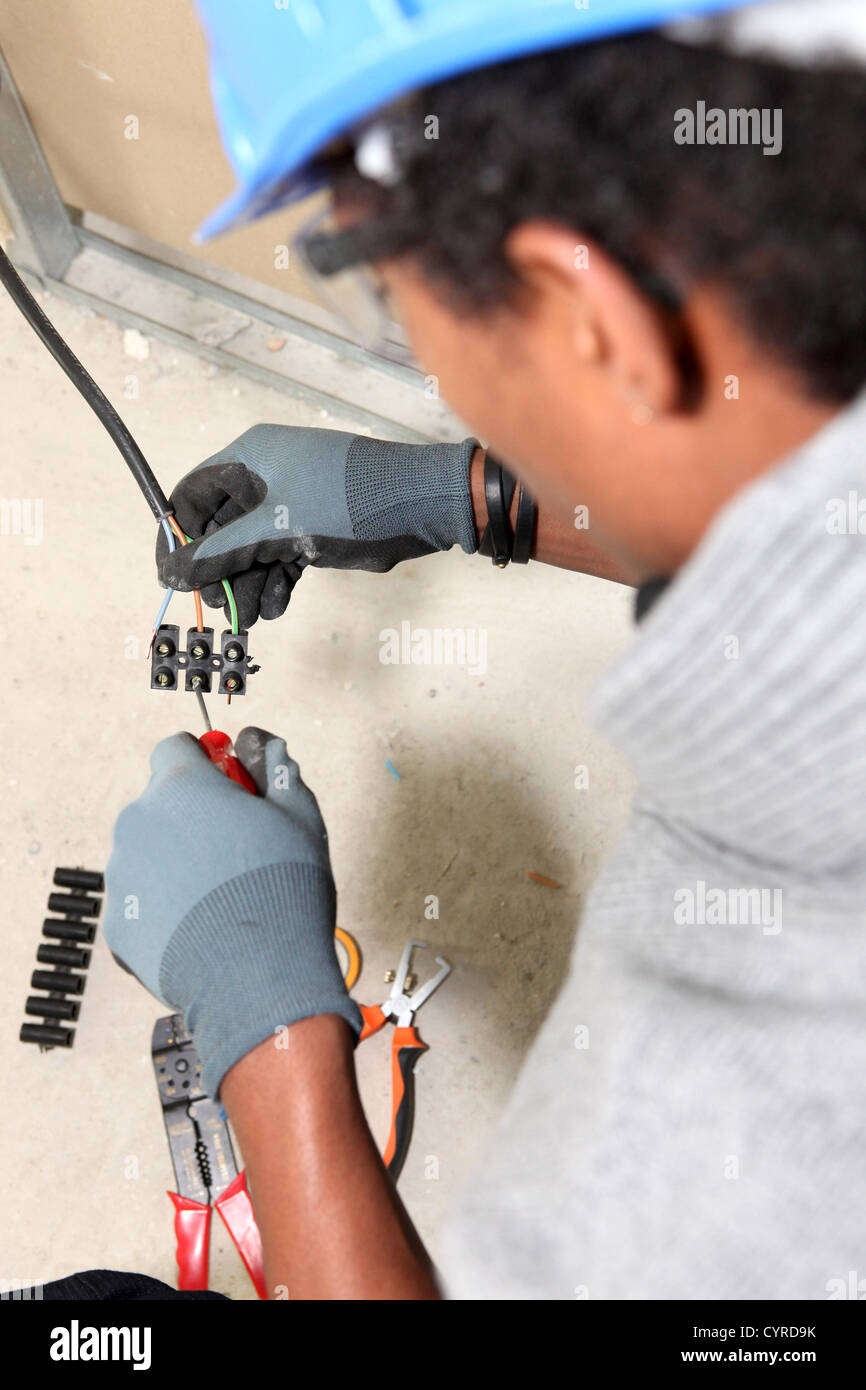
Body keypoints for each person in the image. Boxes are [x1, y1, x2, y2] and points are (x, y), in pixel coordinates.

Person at [102, 0, 866, 1299]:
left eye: (385, 285)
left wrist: (267, 1031)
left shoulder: (759, 1159)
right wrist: (453, 499)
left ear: (594, 320)